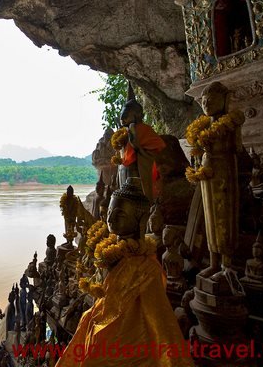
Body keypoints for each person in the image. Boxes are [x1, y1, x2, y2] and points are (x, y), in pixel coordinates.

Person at [56, 178, 191, 367]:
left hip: (131, 332)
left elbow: (159, 318)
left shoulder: (147, 268)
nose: (110, 219)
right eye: (110, 212)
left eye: (119, 214)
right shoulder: (109, 251)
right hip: (104, 314)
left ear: (141, 220)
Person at [196, 81, 245, 285]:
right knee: (210, 217)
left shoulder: (230, 123)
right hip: (207, 171)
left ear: (224, 100)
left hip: (224, 169)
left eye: (211, 100)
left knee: (224, 214)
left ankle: (227, 264)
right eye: (204, 101)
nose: (206, 104)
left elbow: (238, 148)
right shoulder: (202, 126)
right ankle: (213, 262)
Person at [116, 84, 166, 202]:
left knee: (144, 198)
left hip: (142, 167)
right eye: (122, 117)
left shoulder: (142, 129)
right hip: (128, 173)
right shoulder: (127, 131)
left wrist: (135, 146)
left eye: (126, 116)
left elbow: (131, 156)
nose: (123, 120)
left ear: (137, 115)